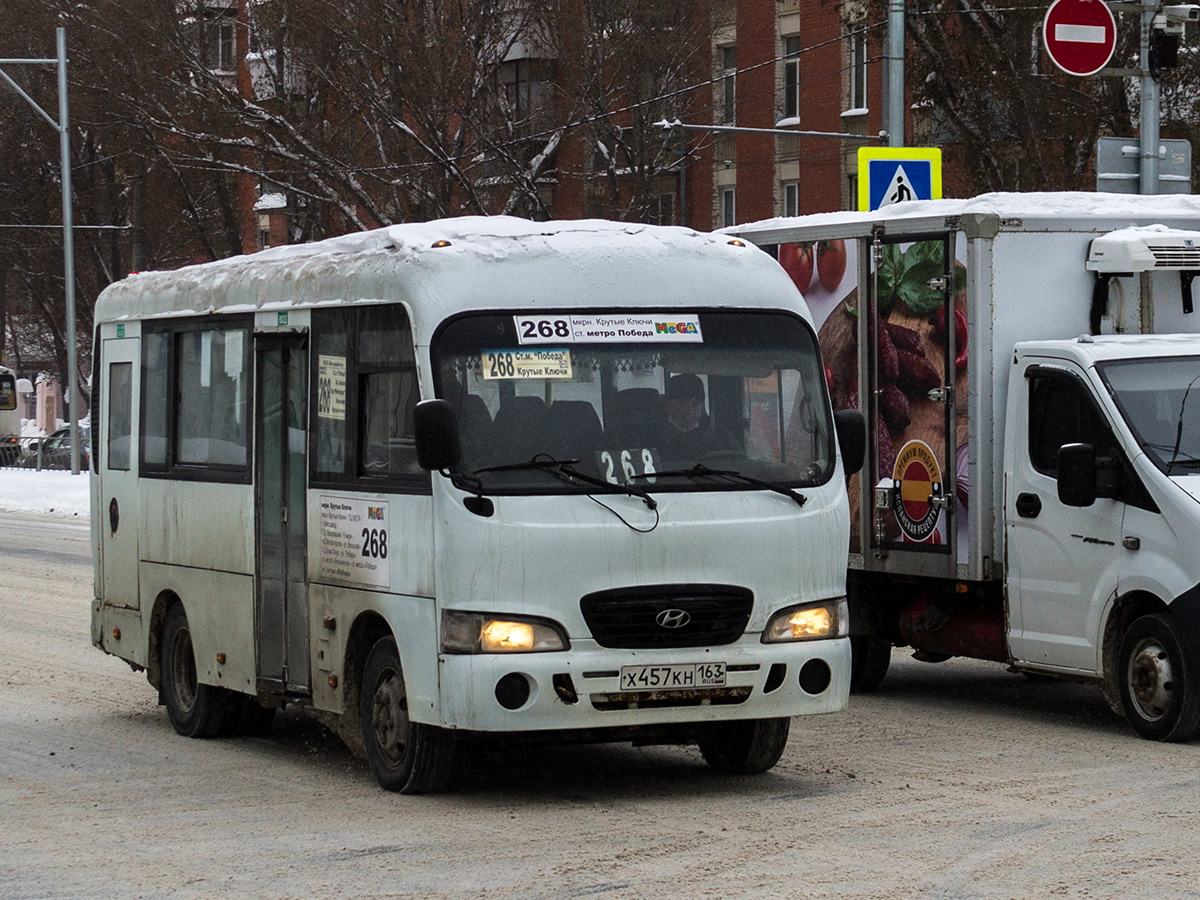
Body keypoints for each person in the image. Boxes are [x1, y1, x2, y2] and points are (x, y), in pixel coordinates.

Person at [659, 373, 737, 461]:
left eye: (695, 404)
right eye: (682, 403)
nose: (689, 411)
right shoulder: (655, 435)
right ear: (667, 405)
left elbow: (739, 461)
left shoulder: (718, 432)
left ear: (702, 406)